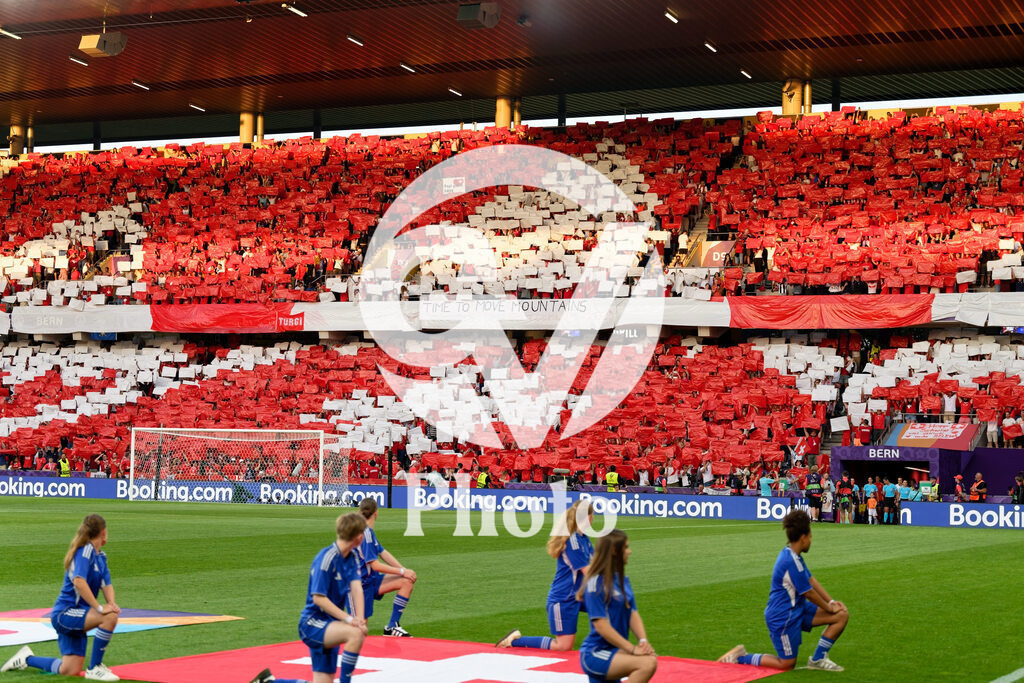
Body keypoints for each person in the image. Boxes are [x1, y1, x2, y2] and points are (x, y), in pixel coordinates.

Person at [719, 509, 848, 672]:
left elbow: (811, 580)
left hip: (797, 609)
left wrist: (832, 602)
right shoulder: (790, 561)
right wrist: (829, 608)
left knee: (841, 615)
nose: (811, 541)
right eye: (810, 537)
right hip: (782, 616)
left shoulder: (793, 555)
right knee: (786, 664)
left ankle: (818, 659)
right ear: (803, 538)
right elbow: (808, 592)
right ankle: (740, 658)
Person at [2, 514, 121, 681]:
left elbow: (106, 583)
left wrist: (112, 603)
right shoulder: (85, 550)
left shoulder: (101, 556)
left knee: (69, 670)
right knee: (109, 617)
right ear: (103, 532)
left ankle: (26, 659)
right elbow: (79, 582)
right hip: (65, 613)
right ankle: (94, 668)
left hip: (79, 615)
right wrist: (100, 608)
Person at [498, 500, 595, 652]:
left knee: (608, 606)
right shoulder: (573, 541)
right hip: (564, 598)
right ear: (588, 517)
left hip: (577, 595)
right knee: (563, 646)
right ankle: (515, 640)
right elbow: (588, 571)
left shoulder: (583, 539)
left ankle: (603, 645)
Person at [577, 530, 657, 683]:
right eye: (626, 547)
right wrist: (632, 649)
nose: (629, 551)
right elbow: (600, 625)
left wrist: (643, 641)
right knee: (647, 663)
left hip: (614, 652)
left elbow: (632, 612)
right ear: (614, 551)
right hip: (596, 653)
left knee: (648, 658)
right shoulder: (596, 584)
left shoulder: (622, 580)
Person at [297, 513, 368, 683]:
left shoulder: (352, 557)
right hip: (313, 623)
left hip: (331, 624)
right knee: (355, 634)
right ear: (359, 537)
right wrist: (350, 620)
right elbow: (318, 598)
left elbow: (357, 588)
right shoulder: (327, 558)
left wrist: (360, 619)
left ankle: (269, 681)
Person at [353, 498, 417, 637]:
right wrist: (402, 571)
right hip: (361, 586)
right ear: (376, 513)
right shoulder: (365, 534)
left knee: (406, 581)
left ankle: (392, 627)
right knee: (359, 633)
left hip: (371, 580)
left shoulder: (367, 531)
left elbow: (382, 552)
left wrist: (405, 571)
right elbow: (375, 565)